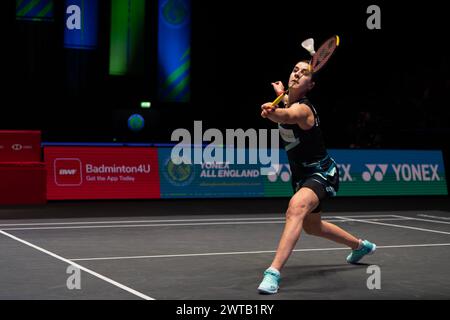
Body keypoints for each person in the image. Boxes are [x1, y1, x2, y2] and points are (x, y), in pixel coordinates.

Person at [258, 60, 376, 294]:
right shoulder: (288, 99)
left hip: (321, 172)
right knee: (313, 226)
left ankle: (273, 272)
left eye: (303, 74)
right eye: (294, 70)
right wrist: (281, 94)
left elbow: (288, 115)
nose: (297, 74)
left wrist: (274, 113)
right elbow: (285, 106)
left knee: (296, 208)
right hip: (301, 176)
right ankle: (360, 246)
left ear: (310, 85)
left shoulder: (303, 109)